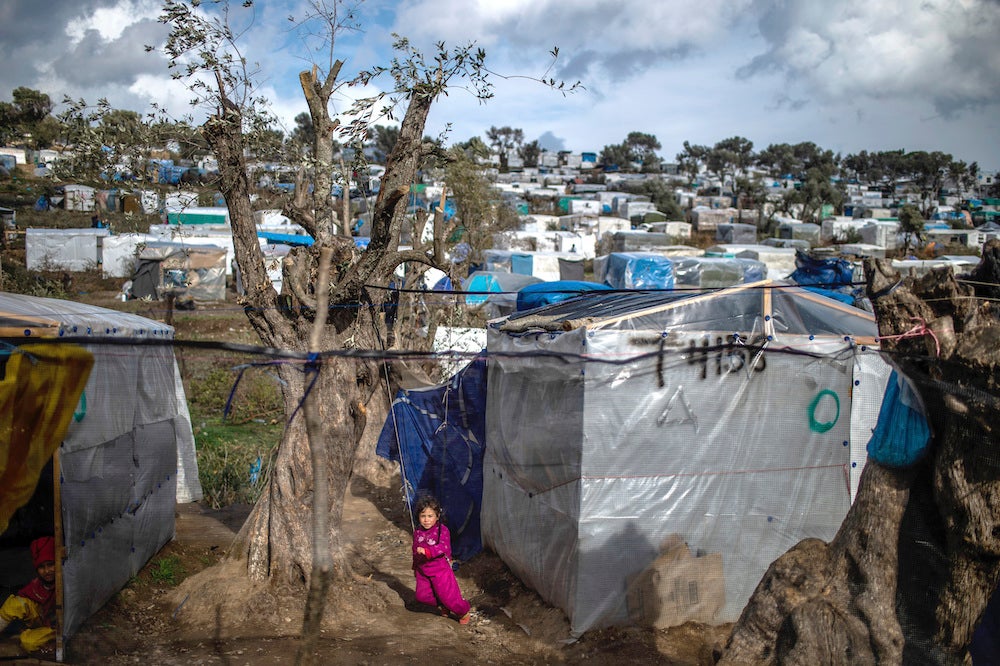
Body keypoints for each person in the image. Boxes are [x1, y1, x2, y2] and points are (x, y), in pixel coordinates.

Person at [411, 495, 471, 624]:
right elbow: (415, 549)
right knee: (422, 596)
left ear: (437, 516)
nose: (426, 520)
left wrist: (427, 551)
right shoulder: (418, 532)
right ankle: (443, 605)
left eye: (430, 516)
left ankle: (463, 611)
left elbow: (443, 548)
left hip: (440, 569)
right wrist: (415, 566)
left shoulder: (442, 530)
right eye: (423, 516)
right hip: (423, 570)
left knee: (449, 596)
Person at [0, 536, 57, 654]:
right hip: (41, 619)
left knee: (28, 642)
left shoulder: (67, 583)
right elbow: (24, 600)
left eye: (51, 564)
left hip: (57, 627)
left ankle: (53, 640)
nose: (47, 571)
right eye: (41, 567)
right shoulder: (38, 584)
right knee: (15, 604)